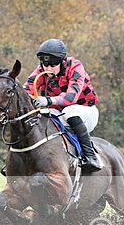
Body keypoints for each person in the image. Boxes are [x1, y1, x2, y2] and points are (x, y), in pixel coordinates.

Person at [23, 38, 103, 172]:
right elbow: (27, 88)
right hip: (59, 113)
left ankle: (91, 155)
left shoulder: (76, 67)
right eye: (45, 65)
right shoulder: (41, 70)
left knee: (70, 111)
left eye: (52, 65)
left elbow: (71, 97)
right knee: (39, 117)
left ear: (62, 61)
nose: (48, 69)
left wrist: (48, 100)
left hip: (85, 111)